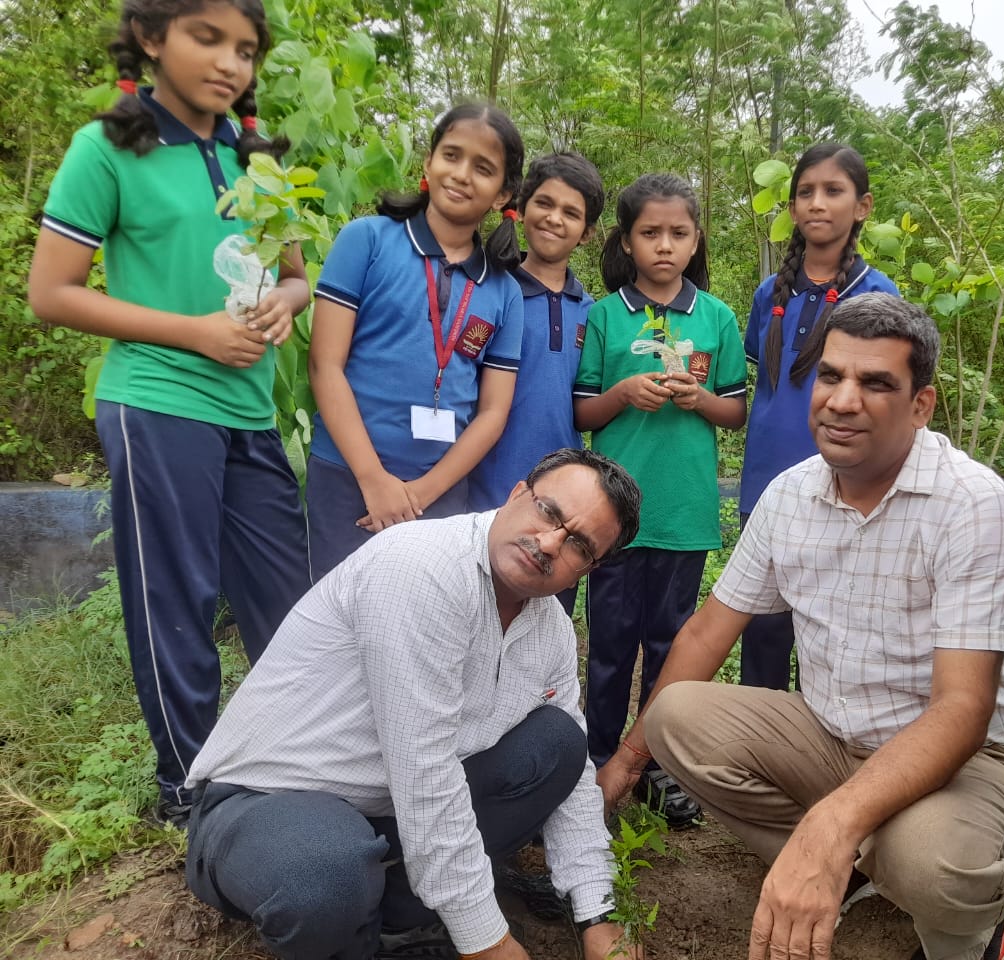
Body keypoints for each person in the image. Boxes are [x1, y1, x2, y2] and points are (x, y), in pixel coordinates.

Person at [599, 294, 1004, 960]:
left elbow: (963, 708)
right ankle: (847, 864)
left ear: (921, 406)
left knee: (934, 862)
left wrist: (834, 823)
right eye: (831, 376)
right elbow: (706, 634)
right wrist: (626, 761)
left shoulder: (970, 502)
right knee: (676, 720)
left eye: (875, 384)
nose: (842, 400)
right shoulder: (792, 493)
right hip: (834, 738)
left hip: (971, 761)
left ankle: (968, 936)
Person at [26, 0, 312, 827]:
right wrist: (195, 332)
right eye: (208, 38)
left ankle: (290, 761)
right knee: (175, 597)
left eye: (246, 49)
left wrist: (287, 305)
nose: (230, 63)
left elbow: (294, 274)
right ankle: (186, 784)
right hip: (155, 402)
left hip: (249, 408)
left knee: (287, 602)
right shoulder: (105, 148)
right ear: (152, 39)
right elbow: (52, 293)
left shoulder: (257, 162)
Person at [184, 448, 644, 960]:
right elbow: (425, 772)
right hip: (265, 804)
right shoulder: (419, 567)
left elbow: (575, 783)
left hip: (388, 814)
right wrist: (490, 944)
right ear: (518, 495)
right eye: (549, 512)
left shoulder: (549, 631)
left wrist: (599, 915)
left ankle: (403, 915)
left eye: (578, 544)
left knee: (557, 742)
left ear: (590, 568)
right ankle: (359, 920)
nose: (549, 542)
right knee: (323, 876)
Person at [573, 173, 748, 828]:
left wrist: (695, 398)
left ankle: (655, 769)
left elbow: (733, 411)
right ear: (627, 240)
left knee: (673, 647)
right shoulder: (604, 315)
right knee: (612, 644)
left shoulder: (717, 317)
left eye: (678, 233)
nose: (665, 246)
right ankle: (595, 764)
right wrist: (624, 394)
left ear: (696, 239)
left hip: (684, 512)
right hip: (612, 516)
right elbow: (582, 407)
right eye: (651, 233)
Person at [306, 103, 525, 578]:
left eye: (483, 168)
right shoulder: (365, 240)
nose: (462, 174)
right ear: (428, 162)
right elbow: (326, 365)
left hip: (442, 494)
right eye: (452, 155)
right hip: (345, 477)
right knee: (338, 628)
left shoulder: (504, 291)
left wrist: (421, 494)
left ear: (502, 193)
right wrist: (374, 481)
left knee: (422, 635)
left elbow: (492, 412)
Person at [739, 142, 899, 690]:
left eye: (833, 191)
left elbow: (886, 403)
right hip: (766, 488)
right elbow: (766, 387)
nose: (817, 204)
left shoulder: (877, 296)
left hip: (843, 490)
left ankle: (827, 765)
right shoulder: (769, 294)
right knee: (762, 632)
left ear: (863, 206)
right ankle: (758, 757)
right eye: (805, 192)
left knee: (830, 637)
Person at [470, 152, 605, 616]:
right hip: (484, 489)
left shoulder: (594, 313)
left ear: (587, 232)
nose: (554, 218)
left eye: (571, 213)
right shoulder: (488, 291)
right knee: (475, 611)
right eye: (544, 204)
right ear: (522, 206)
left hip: (560, 507)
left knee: (544, 622)